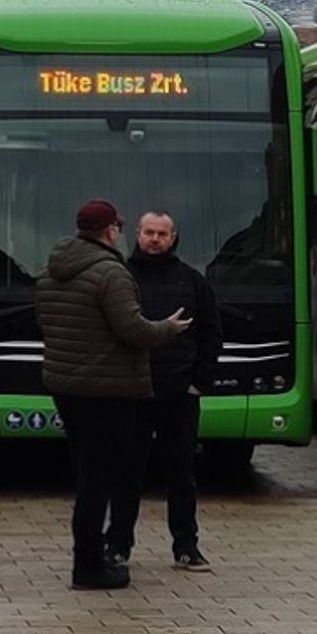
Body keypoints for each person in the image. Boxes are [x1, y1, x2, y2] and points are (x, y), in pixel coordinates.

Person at [36, 199, 191, 590]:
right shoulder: (111, 273)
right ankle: (89, 567)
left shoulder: (50, 271)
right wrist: (168, 329)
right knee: (97, 482)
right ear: (109, 231)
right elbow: (132, 329)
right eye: (118, 227)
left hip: (66, 387)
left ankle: (88, 561)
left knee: (86, 475)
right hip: (107, 391)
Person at [127, 211, 223, 573]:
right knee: (126, 474)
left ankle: (186, 546)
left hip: (179, 395)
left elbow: (211, 334)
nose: (154, 239)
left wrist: (199, 382)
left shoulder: (192, 281)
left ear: (173, 238)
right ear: (137, 234)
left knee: (182, 474)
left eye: (161, 234)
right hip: (133, 393)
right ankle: (118, 544)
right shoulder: (121, 277)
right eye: (149, 232)